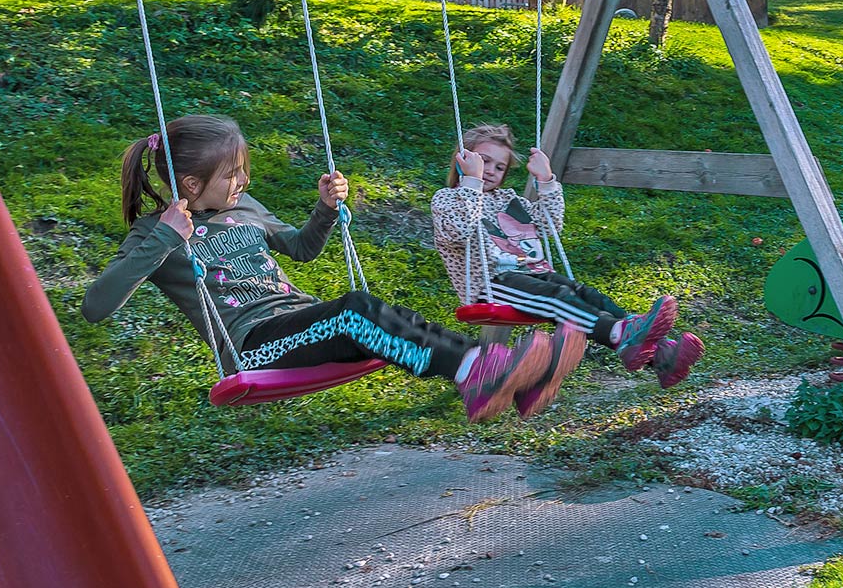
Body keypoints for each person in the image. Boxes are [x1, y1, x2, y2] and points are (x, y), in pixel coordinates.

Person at [83, 114, 583, 422]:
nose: (244, 178)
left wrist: (323, 211)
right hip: (256, 347)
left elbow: (300, 249)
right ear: (191, 185)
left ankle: (511, 379)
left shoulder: (247, 207)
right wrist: (169, 235)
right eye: (231, 173)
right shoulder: (156, 232)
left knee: (379, 314)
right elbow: (96, 306)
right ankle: (478, 371)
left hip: (300, 322)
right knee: (356, 311)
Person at [430, 123, 703, 392]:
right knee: (558, 298)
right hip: (492, 285)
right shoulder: (448, 199)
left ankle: (661, 355)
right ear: (463, 160)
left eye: (499, 167)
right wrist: (471, 182)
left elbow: (550, 225)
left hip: (532, 274)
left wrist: (546, 180)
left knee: (587, 295)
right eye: (483, 162)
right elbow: (458, 231)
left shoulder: (510, 199)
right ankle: (621, 335)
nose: (490, 171)